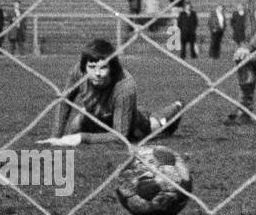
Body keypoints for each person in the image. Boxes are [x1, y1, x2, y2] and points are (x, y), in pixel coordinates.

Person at [41, 39, 184, 146]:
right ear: (84, 67)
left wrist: (82, 138)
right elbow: (64, 102)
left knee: (153, 127)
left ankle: (176, 109)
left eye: (103, 68)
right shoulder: (77, 71)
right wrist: (56, 137)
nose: (97, 73)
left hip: (130, 124)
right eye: (92, 67)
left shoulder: (125, 85)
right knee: (75, 126)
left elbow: (120, 136)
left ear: (112, 67)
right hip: (97, 115)